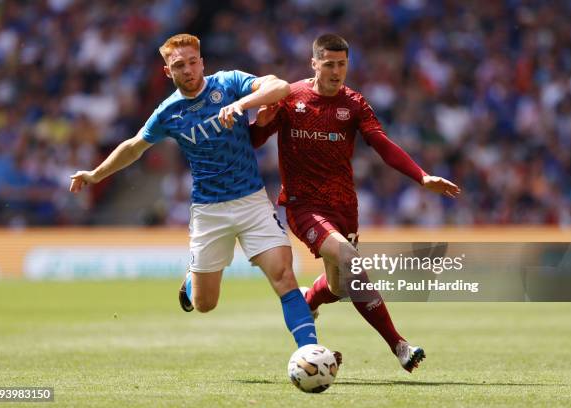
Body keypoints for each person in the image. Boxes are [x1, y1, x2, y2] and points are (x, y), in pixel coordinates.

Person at [69, 33, 325, 352]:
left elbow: (281, 87)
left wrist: (242, 104)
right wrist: (95, 174)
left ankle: (310, 352)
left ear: (202, 62)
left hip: (251, 202)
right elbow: (134, 147)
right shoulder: (169, 112)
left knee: (284, 276)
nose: (188, 70)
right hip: (209, 211)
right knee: (205, 304)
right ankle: (192, 280)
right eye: (179, 65)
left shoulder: (229, 83)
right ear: (168, 72)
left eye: (193, 62)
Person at [250, 34, 461, 372]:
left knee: (339, 286)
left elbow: (382, 144)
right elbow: (254, 140)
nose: (336, 71)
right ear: (314, 63)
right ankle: (400, 345)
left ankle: (308, 300)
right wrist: (259, 125)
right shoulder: (291, 98)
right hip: (304, 206)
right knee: (349, 258)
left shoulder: (354, 104)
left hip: (344, 209)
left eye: (342, 64)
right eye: (329, 64)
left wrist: (421, 176)